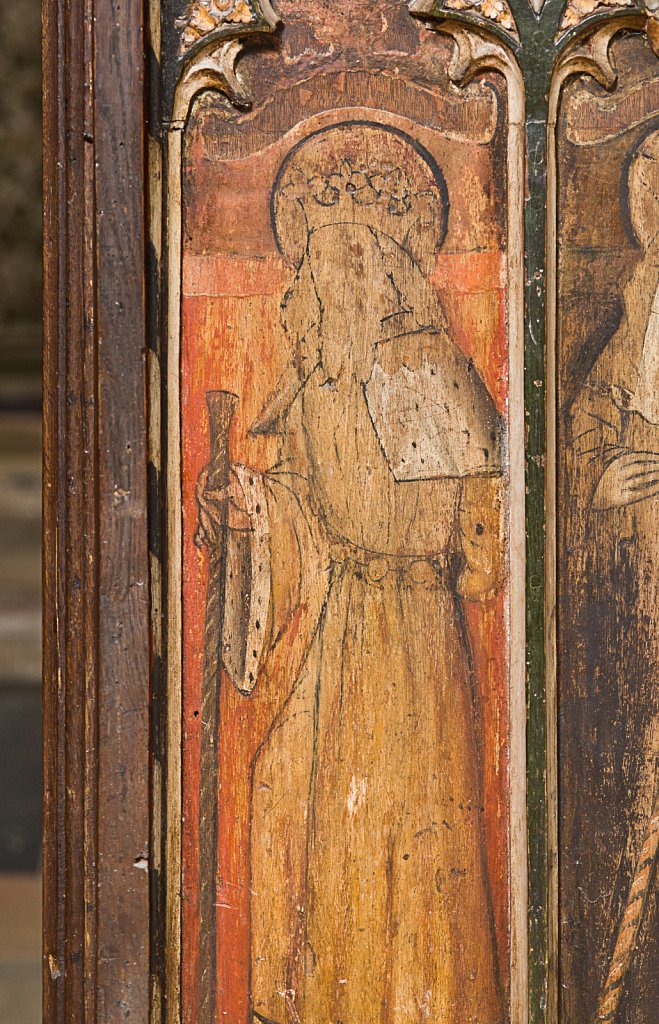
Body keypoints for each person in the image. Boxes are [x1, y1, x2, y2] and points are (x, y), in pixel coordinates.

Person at [197, 122, 507, 1024]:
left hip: (407, 652)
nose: (324, 284)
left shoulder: (423, 374)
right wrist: (245, 500)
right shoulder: (314, 390)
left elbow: (482, 556)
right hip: (336, 636)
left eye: (347, 261)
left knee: (402, 838)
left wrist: (418, 552)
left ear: (385, 270)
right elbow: (300, 510)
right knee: (297, 805)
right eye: (316, 262)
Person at [562, 126, 659, 1023]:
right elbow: (587, 427)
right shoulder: (637, 307)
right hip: (630, 608)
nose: (649, 198)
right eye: (641, 177)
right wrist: (595, 483)